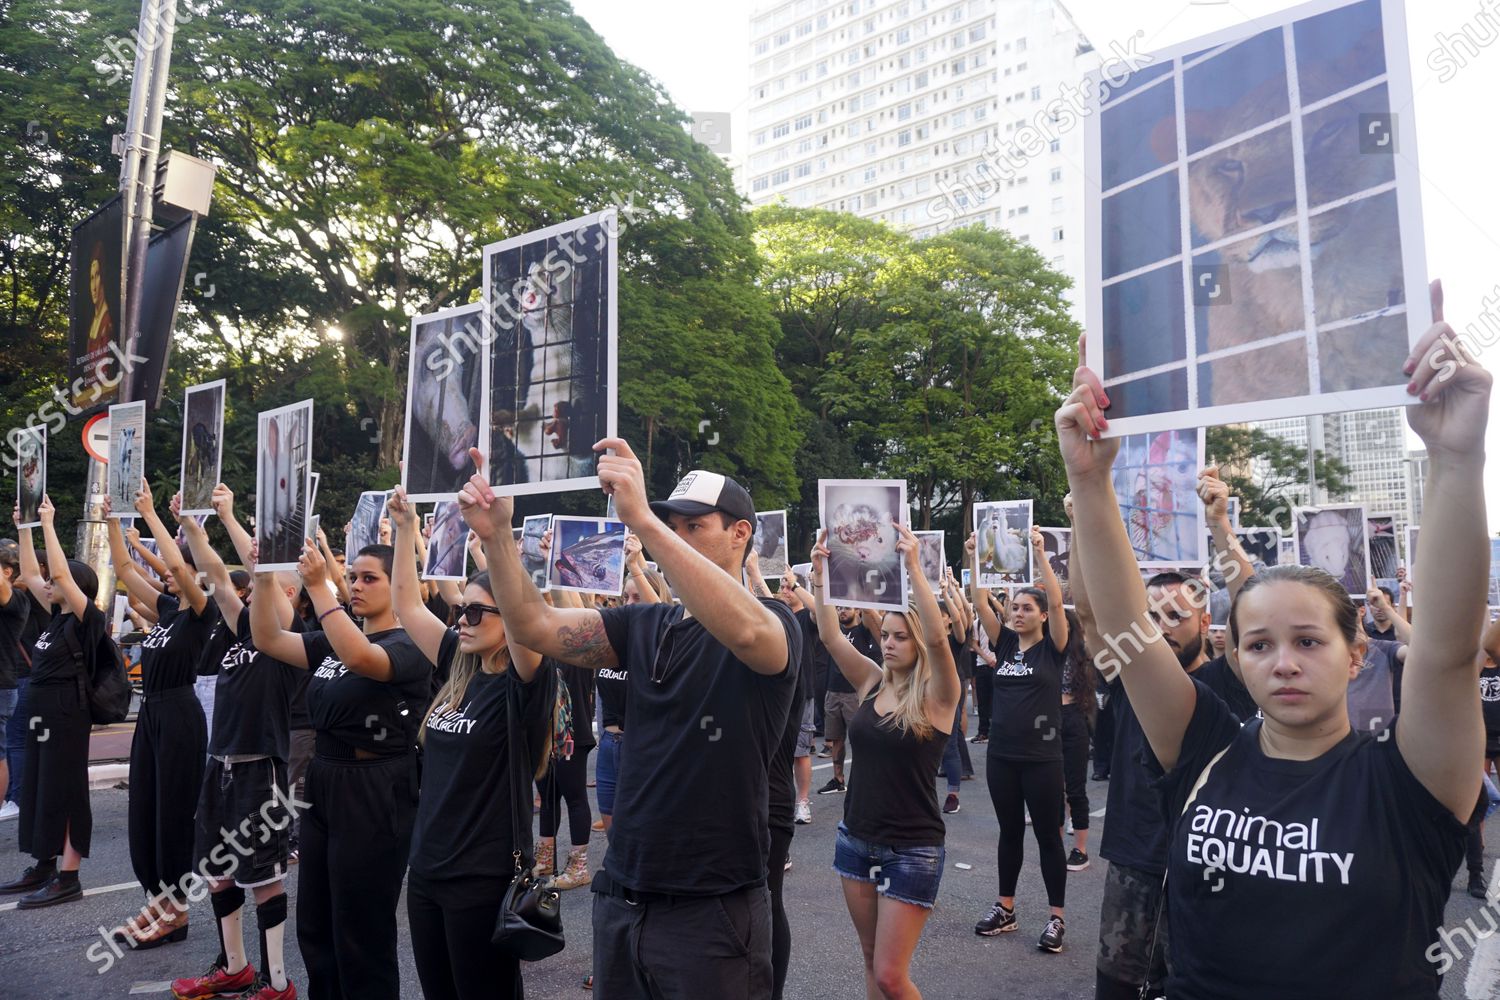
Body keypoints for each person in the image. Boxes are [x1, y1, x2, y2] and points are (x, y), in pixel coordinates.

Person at [1057, 280, 1489, 997]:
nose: (1283, 662)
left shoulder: (1406, 781)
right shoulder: (1204, 749)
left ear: (1356, 655)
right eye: (1257, 645)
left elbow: (1446, 653)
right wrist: (1090, 481)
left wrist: (1455, 458)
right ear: (1234, 654)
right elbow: (1129, 637)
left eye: (1309, 642)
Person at [460, 441, 800, 999]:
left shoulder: (775, 622)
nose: (680, 533)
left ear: (741, 533)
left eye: (696, 524)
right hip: (623, 895)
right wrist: (498, 538)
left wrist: (642, 517)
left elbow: (747, 633)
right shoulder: (645, 624)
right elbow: (534, 626)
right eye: (672, 523)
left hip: (711, 906)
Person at [250, 535, 432, 1000]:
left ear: (400, 587)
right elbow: (268, 638)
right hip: (325, 779)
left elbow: (361, 658)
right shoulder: (335, 639)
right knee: (316, 919)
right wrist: (262, 577)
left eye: (370, 578)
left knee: (361, 925)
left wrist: (318, 587)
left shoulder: (411, 644)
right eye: (352, 577)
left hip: (375, 785)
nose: (356, 585)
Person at [388, 486, 549, 1000]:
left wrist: (496, 535)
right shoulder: (458, 665)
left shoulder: (522, 681)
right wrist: (406, 529)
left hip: (481, 878)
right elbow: (407, 604)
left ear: (510, 621)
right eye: (462, 610)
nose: (462, 620)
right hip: (428, 871)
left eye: (478, 613)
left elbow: (529, 628)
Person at [811, 522, 960, 1000]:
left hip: (911, 849)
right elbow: (832, 636)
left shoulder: (941, 696)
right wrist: (821, 576)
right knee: (871, 962)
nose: (890, 643)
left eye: (901, 637)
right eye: (888, 635)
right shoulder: (872, 681)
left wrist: (914, 566)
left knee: (893, 975)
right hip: (856, 840)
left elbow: (939, 642)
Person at [169, 491, 302, 1000]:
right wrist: (201, 517)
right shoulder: (241, 629)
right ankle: (234, 967)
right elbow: (218, 577)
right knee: (219, 873)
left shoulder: (289, 638)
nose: (253, 598)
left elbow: (260, 578)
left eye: (272, 589)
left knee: (263, 876)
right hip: (218, 765)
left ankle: (277, 982)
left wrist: (262, 561)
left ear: (292, 597)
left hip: (257, 769)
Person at [104, 482, 214, 947]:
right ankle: (156, 900)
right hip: (151, 715)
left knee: (172, 813)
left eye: (180, 573)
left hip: (180, 716)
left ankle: (176, 911)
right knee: (145, 808)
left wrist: (150, 514)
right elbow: (127, 568)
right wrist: (113, 520)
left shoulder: (201, 615)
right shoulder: (167, 611)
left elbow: (172, 563)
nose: (170, 578)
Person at [969, 524, 1071, 952]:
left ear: (1043, 615)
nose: (1017, 613)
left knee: (1048, 836)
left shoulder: (1054, 646)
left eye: (1027, 608)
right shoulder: (1006, 644)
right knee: (1009, 831)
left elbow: (1060, 599)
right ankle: (1005, 908)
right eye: (1014, 607)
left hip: (1043, 757)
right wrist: (974, 556)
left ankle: (1056, 919)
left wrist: (1040, 554)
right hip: (1003, 757)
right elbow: (977, 600)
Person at [0, 498, 97, 907]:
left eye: (57, 582)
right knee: (40, 787)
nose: (47, 583)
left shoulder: (86, 618)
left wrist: (48, 523)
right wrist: (24, 529)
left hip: (66, 716)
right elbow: (28, 571)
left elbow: (55, 570)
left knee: (66, 790)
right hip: (42, 714)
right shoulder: (55, 618)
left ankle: (69, 876)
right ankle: (44, 864)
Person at [820, 606, 882, 794]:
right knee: (836, 739)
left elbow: (872, 617)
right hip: (833, 691)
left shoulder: (863, 630)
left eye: (846, 608)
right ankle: (838, 779)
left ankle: (865, 779)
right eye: (838, 609)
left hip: (855, 693)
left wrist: (865, 604)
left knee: (860, 739)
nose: (842, 612)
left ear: (856, 610)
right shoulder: (835, 631)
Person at [1059, 609, 1095, 871]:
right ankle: (1054, 845)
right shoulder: (1043, 651)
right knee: (1050, 789)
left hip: (1073, 717)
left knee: (1075, 787)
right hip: (1046, 720)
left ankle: (1080, 849)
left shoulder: (1081, 653)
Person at [0, 538, 29, 822]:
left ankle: (10, 799)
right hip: (11, 682)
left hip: (7, 684)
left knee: (6, 748)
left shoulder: (16, 600)